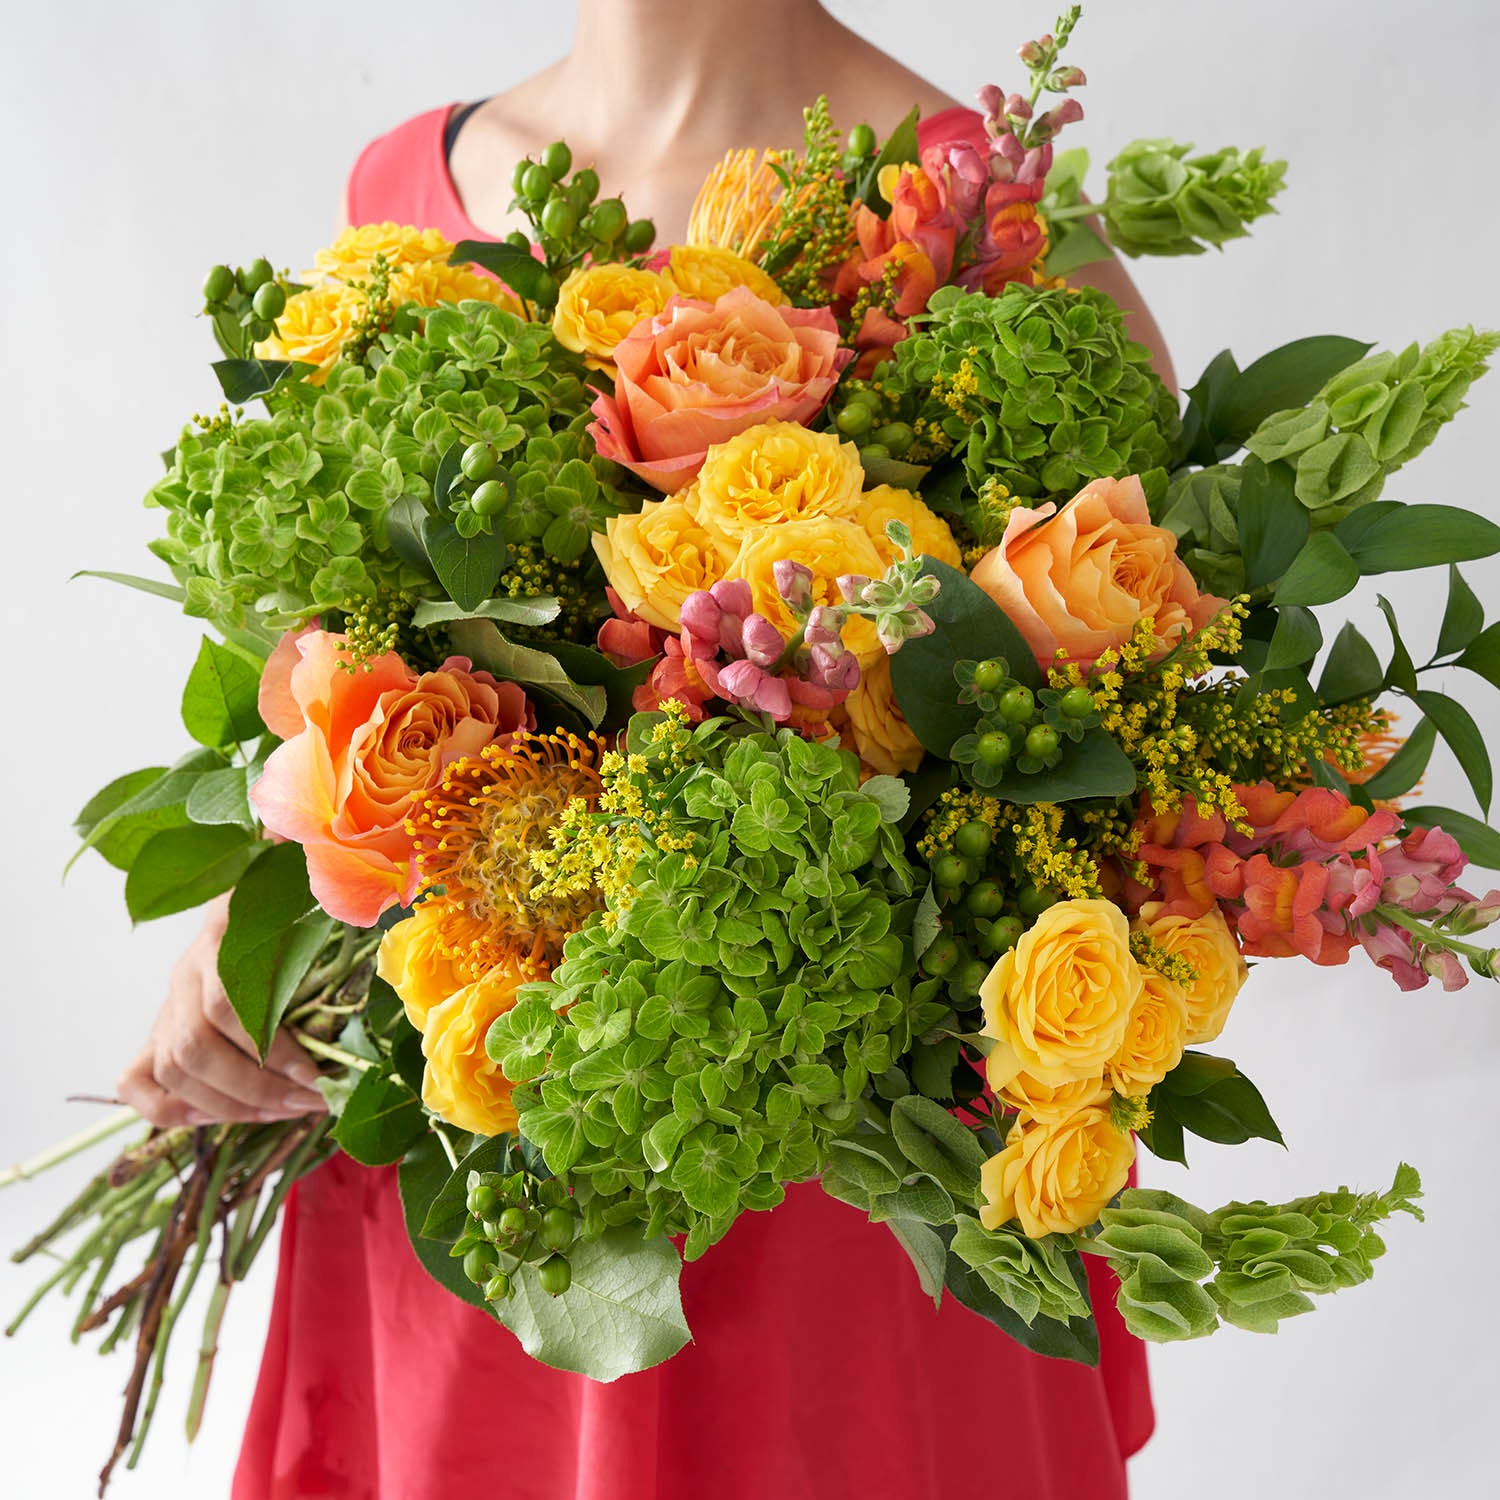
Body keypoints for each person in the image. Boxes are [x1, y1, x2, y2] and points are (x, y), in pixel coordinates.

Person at [118, 3, 1173, 1494]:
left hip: (827, 1220)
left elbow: (1130, 803)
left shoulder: (987, 237)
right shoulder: (399, 191)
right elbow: (323, 664)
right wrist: (264, 920)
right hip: (482, 1166)